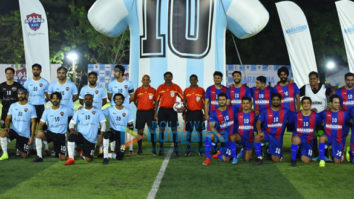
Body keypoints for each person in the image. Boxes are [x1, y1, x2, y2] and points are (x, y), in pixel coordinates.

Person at [64, 94, 106, 165]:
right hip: (81, 136)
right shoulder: (78, 112)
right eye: (86, 99)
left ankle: (81, 152)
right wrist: (72, 130)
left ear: (92, 100)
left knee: (88, 159)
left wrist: (101, 136)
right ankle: (71, 158)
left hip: (91, 140)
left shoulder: (98, 111)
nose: (88, 100)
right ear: (83, 101)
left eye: (90, 99)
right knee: (72, 136)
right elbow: (71, 123)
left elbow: (103, 125)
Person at [254, 93, 293, 165]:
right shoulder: (265, 111)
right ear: (271, 101)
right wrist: (259, 132)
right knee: (257, 137)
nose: (275, 101)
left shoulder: (286, 111)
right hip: (267, 134)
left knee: (276, 160)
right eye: (274, 100)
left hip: (277, 138)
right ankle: (259, 157)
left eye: (277, 100)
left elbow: (293, 119)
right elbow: (258, 123)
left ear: (280, 101)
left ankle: (269, 150)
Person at [299, 71, 330, 159]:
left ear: (317, 79)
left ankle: (325, 154)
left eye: (314, 79)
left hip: (322, 115)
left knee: (323, 134)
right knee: (313, 135)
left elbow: (331, 96)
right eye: (310, 79)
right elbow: (296, 94)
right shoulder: (306, 87)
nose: (312, 80)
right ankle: (316, 154)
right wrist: (301, 109)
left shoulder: (325, 87)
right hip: (311, 116)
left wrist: (328, 107)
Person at [33, 92, 71, 162]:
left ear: (60, 99)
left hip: (61, 135)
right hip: (51, 133)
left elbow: (74, 116)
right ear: (50, 100)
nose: (55, 100)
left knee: (62, 158)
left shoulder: (65, 109)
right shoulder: (47, 111)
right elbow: (41, 123)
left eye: (57, 98)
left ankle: (58, 152)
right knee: (39, 135)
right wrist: (39, 130)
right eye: (53, 98)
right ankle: (39, 156)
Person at [0, 88, 36, 160]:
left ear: (26, 95)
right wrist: (7, 127)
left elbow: (33, 123)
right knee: (2, 133)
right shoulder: (13, 106)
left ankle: (24, 147)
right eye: (19, 94)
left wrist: (31, 136)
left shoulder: (31, 107)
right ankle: (5, 153)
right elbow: (8, 118)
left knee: (24, 156)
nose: (20, 95)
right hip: (14, 130)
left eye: (22, 94)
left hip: (24, 134)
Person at [202, 93, 237, 165]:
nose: (222, 101)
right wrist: (219, 136)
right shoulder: (214, 113)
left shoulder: (233, 109)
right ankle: (208, 158)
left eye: (223, 100)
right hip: (220, 136)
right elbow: (212, 127)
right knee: (208, 136)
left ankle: (219, 154)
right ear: (217, 101)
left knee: (227, 159)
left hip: (230, 138)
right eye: (220, 100)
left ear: (227, 100)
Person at [154, 72, 184, 156]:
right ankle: (161, 148)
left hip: (172, 110)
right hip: (162, 110)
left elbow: (183, 98)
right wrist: (155, 112)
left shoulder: (176, 87)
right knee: (161, 130)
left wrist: (182, 107)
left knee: (174, 129)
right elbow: (157, 101)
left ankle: (176, 149)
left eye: (169, 77)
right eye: (166, 77)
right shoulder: (160, 87)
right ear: (164, 78)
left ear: (172, 77)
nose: (168, 78)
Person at [107, 64, 134, 154]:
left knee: (127, 130)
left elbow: (132, 96)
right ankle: (112, 149)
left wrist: (124, 105)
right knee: (113, 129)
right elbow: (110, 96)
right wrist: (116, 105)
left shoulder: (128, 83)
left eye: (116, 71)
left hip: (125, 110)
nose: (114, 73)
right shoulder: (111, 84)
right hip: (114, 110)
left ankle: (130, 149)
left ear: (121, 73)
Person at [24, 63, 50, 155]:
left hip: (40, 107)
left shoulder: (45, 82)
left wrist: (42, 101)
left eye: (37, 69)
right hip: (31, 107)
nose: (36, 71)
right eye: (34, 69)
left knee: (42, 127)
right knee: (30, 127)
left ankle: (46, 148)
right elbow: (25, 96)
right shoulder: (27, 83)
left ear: (40, 71)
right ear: (32, 70)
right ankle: (33, 147)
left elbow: (48, 96)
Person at [319, 95, 350, 167]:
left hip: (338, 139)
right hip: (328, 137)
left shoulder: (344, 113)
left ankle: (341, 151)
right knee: (322, 138)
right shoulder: (325, 113)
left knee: (337, 162)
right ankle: (322, 160)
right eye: (335, 103)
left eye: (338, 103)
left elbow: (349, 122)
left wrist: (345, 133)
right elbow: (316, 118)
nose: (337, 104)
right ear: (331, 103)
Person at [102, 93, 134, 164]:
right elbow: (99, 113)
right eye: (116, 99)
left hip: (122, 135)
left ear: (123, 100)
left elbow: (131, 125)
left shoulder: (127, 111)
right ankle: (105, 157)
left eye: (120, 99)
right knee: (106, 135)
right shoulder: (110, 109)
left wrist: (130, 146)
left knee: (120, 156)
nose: (118, 100)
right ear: (114, 101)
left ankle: (109, 154)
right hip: (113, 132)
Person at [290, 97, 321, 167]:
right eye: (304, 103)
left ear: (310, 105)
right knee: (295, 139)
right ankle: (293, 160)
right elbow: (290, 124)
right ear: (301, 105)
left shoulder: (316, 116)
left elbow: (320, 124)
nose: (306, 105)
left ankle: (299, 153)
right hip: (299, 137)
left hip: (309, 141)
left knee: (306, 160)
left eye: (308, 103)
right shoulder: (296, 115)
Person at [134, 75, 156, 155]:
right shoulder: (138, 90)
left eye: (147, 80)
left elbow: (156, 102)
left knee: (152, 130)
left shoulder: (153, 90)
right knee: (140, 131)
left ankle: (154, 149)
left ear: (150, 81)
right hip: (140, 113)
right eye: (144, 79)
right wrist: (139, 107)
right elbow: (135, 100)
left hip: (151, 112)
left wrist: (155, 112)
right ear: (142, 81)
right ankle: (140, 149)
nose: (146, 81)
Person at [183, 74, 205, 156]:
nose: (193, 81)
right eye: (191, 79)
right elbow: (184, 103)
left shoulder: (201, 90)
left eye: (194, 79)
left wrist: (205, 113)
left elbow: (204, 103)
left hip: (198, 113)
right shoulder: (186, 90)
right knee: (189, 132)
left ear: (197, 80)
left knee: (199, 132)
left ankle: (200, 150)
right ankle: (188, 150)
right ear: (190, 81)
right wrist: (183, 113)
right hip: (189, 113)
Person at [233, 97, 257, 162]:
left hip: (249, 139)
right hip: (239, 137)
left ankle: (244, 151)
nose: (245, 105)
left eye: (247, 103)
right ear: (241, 104)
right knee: (232, 137)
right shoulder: (237, 113)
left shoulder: (254, 114)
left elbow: (257, 126)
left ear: (250, 104)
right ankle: (233, 156)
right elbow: (233, 125)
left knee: (247, 160)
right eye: (243, 103)